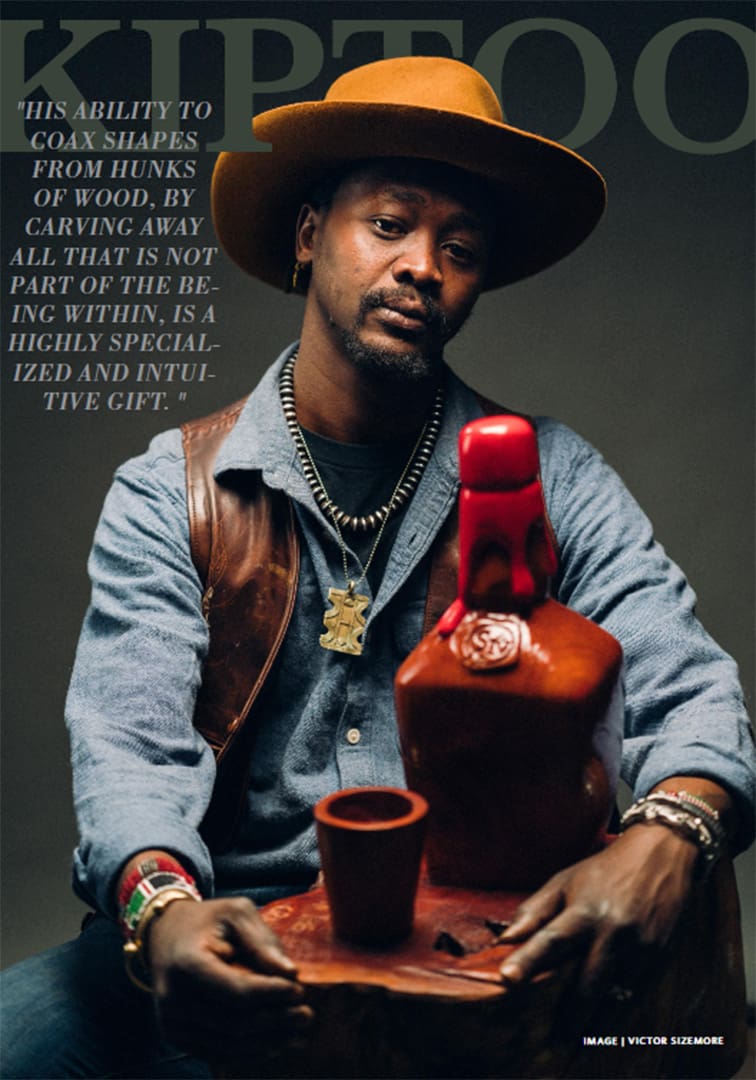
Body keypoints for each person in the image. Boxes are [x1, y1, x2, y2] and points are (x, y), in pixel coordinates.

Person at [1, 56, 753, 1080]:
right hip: (241, 951)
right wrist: (160, 912)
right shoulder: (170, 490)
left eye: (461, 246)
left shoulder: (554, 477)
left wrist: (668, 836)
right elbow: (126, 745)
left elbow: (693, 686)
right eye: (390, 224)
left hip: (471, 964)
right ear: (311, 237)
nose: (423, 266)